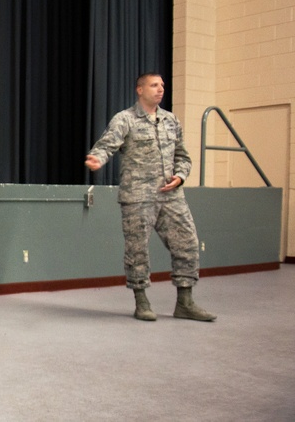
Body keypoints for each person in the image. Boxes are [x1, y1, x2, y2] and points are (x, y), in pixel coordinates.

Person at [85, 73, 216, 322]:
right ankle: (142, 301)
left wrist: (180, 175)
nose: (160, 89)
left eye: (162, 86)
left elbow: (183, 156)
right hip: (138, 197)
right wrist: (97, 158)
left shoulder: (171, 120)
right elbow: (107, 145)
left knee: (187, 244)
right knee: (138, 251)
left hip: (171, 196)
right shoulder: (125, 119)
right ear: (139, 89)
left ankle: (185, 303)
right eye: (154, 85)